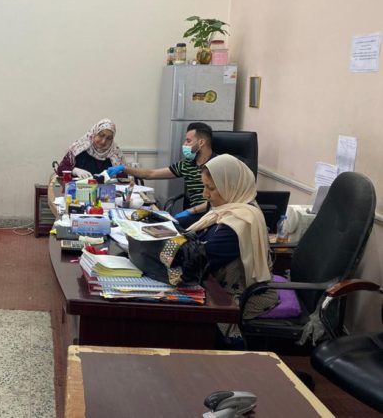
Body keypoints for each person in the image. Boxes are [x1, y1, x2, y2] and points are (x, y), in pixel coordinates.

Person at [188, 154, 278, 343]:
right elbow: (196, 240)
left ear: (230, 186)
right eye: (205, 187)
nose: (205, 195)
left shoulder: (239, 222)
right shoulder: (228, 209)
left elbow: (198, 258)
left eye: (211, 188)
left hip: (236, 297)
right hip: (218, 284)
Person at [105, 122, 215, 227]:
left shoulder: (218, 165)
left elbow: (222, 200)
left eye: (188, 141)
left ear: (201, 143)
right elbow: (151, 174)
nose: (184, 145)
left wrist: (191, 211)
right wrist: (124, 168)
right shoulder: (187, 165)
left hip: (213, 215)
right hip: (194, 215)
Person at [55, 119, 126, 179]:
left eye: (109, 138)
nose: (103, 141)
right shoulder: (78, 149)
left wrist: (118, 175)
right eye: (101, 135)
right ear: (94, 133)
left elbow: (124, 177)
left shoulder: (115, 155)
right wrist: (75, 170)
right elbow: (60, 170)